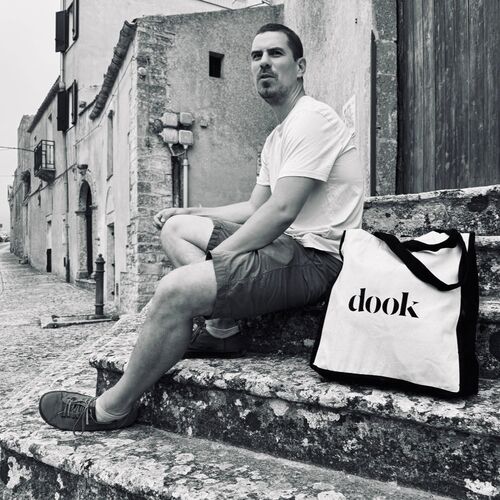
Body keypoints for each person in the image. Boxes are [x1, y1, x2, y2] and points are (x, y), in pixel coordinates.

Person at [38, 23, 364, 432]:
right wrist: (193, 210)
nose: (263, 62)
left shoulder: (312, 119)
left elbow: (281, 210)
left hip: (317, 258)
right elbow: (255, 207)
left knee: (174, 290)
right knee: (176, 228)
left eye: (275, 54)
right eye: (256, 56)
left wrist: (221, 257)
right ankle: (222, 329)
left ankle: (111, 409)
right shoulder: (277, 137)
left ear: (300, 67)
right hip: (287, 245)